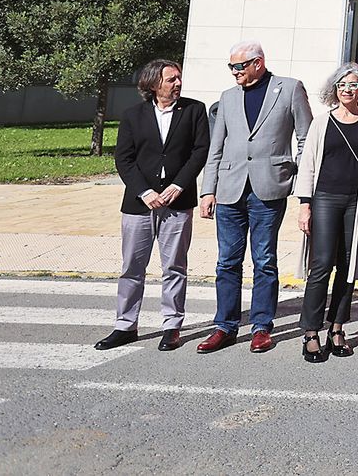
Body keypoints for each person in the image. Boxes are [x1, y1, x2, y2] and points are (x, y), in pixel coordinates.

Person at [197, 40, 313, 354]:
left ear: (257, 63)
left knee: (264, 261)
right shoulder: (227, 98)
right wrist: (207, 190)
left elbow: (307, 139)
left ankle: (262, 327)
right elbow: (215, 148)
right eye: (231, 67)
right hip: (229, 190)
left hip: (269, 188)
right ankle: (225, 326)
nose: (234, 72)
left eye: (239, 66)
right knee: (227, 262)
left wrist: (303, 186)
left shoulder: (289, 89)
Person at [97, 59, 210, 352]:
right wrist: (144, 191)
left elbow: (200, 151)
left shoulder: (194, 110)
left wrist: (179, 184)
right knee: (132, 266)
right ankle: (125, 325)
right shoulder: (133, 115)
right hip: (139, 203)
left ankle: (172, 325)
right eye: (171, 79)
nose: (178, 84)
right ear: (153, 84)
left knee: (174, 266)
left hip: (177, 201)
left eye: (179, 78)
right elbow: (124, 158)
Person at [292, 63, 358, 362]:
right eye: (342, 84)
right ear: (335, 89)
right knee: (321, 265)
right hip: (325, 199)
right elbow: (307, 164)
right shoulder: (322, 122)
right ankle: (310, 332)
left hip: (355, 200)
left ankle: (337, 329)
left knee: (348, 266)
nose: (347, 89)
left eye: (354, 85)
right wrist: (305, 204)